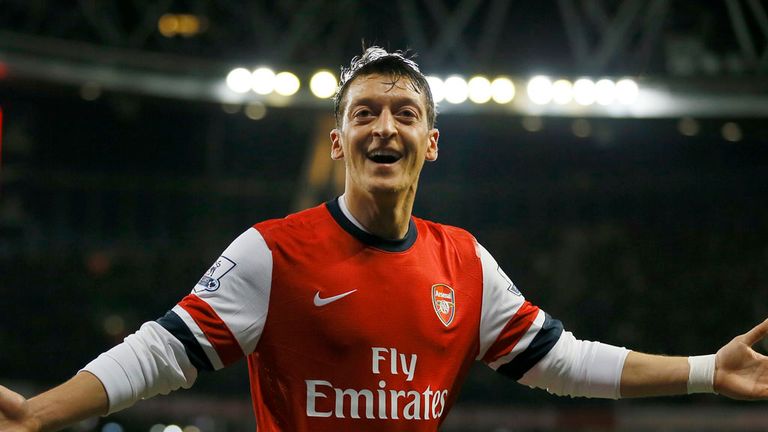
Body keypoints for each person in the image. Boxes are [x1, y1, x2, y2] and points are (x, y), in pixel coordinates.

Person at [1, 47, 767, 432]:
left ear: (431, 143)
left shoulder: (465, 263)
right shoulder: (272, 252)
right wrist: (40, 415)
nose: (384, 127)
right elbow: (160, 352)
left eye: (404, 113)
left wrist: (708, 370)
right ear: (338, 142)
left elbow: (564, 361)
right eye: (364, 113)